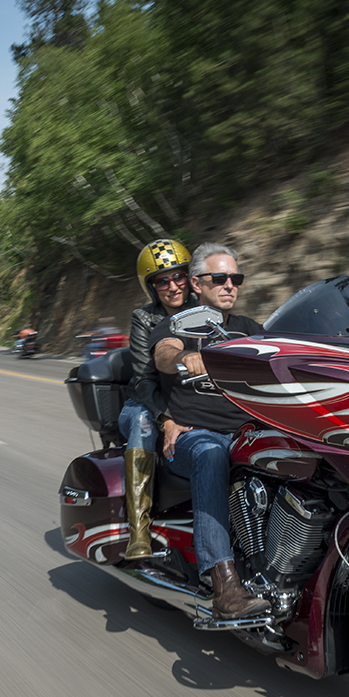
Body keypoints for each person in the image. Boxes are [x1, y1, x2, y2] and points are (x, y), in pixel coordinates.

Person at [151, 243, 269, 618]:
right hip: (194, 436)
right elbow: (164, 353)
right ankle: (224, 586)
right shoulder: (180, 324)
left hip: (246, 433)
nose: (230, 285)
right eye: (220, 278)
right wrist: (186, 357)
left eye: (236, 278)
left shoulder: (249, 328)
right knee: (211, 453)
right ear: (197, 284)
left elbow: (280, 355)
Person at [119, 239, 194, 559]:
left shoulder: (203, 311)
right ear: (151, 287)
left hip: (188, 398)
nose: (173, 286)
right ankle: (139, 532)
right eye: (162, 280)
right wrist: (166, 418)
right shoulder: (143, 318)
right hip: (146, 403)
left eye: (179, 276)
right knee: (142, 423)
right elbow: (143, 378)